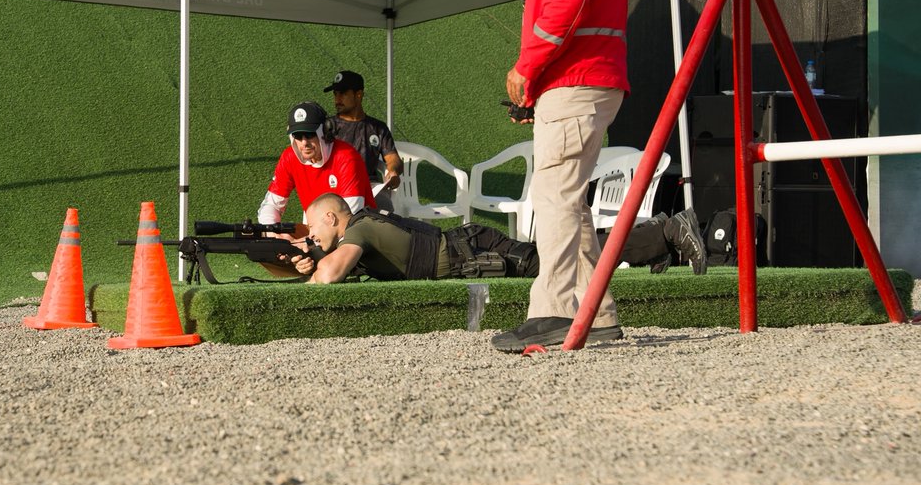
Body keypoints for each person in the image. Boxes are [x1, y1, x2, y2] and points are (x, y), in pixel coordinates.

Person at [496, 0, 632, 352]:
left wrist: (527, 68)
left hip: (577, 80)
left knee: (554, 198)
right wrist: (536, 87)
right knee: (569, 202)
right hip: (585, 80)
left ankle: (552, 311)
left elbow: (564, 5)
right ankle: (597, 314)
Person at [287, 193, 707, 295]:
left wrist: (314, 267)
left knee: (565, 260)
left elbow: (331, 276)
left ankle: (667, 232)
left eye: (313, 227)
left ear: (332, 217)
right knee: (563, 259)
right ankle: (657, 238)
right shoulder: (361, 229)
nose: (312, 236)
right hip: (471, 250)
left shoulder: (358, 230)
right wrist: (312, 260)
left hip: (476, 253)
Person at [257, 101, 377, 226]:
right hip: (317, 230)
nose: (304, 143)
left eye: (310, 134)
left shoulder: (346, 157)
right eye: (298, 135)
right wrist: (273, 232)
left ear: (325, 131)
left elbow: (348, 218)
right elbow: (271, 205)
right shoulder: (289, 157)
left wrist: (313, 236)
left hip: (359, 230)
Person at [322, 70, 404, 212]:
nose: (337, 99)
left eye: (343, 93)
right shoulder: (328, 126)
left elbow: (393, 158)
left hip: (369, 187)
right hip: (335, 186)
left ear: (358, 94)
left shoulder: (378, 128)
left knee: (385, 209)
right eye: (335, 94)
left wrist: (392, 172)